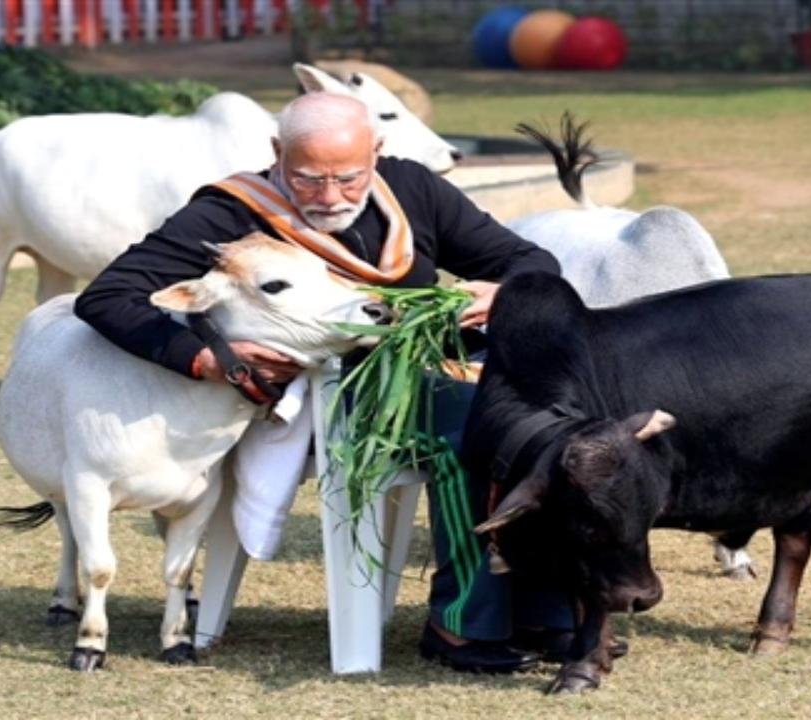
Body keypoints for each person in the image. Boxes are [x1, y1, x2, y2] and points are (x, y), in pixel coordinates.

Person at [74, 91, 564, 673]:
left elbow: (532, 262)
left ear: (376, 152)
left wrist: (502, 291)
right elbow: (107, 296)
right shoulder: (231, 212)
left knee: (551, 419)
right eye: (307, 179)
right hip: (324, 396)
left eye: (349, 178)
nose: (330, 197)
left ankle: (547, 612)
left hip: (429, 372)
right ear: (278, 152)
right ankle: (461, 626)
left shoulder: (411, 189)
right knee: (474, 426)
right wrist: (208, 359)